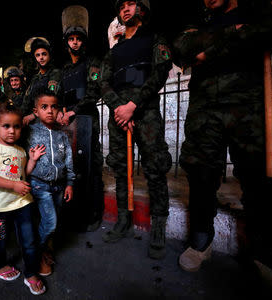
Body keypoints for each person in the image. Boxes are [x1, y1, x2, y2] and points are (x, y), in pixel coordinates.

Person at [172, 0, 272, 277]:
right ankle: (201, 241)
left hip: (248, 102)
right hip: (204, 105)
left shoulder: (258, 10)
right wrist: (237, 36)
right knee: (201, 171)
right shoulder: (197, 16)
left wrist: (206, 50)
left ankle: (267, 255)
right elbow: (181, 47)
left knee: (259, 175)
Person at [99, 0, 173, 260]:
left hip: (146, 112)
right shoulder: (114, 50)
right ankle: (122, 219)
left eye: (132, 4)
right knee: (120, 168)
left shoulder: (155, 39)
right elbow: (103, 82)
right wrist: (120, 109)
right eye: (121, 6)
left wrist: (133, 105)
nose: (125, 9)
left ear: (142, 9)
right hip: (119, 116)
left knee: (155, 167)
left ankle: (159, 228)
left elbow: (160, 72)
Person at [0, 101, 46, 296]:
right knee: (1, 239)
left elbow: (22, 175)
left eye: (16, 126)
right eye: (6, 126)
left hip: (22, 203)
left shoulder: (21, 151)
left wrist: (32, 160)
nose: (11, 131)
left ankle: (31, 274)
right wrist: (13, 185)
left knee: (29, 240)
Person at [59, 5, 104, 232]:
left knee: (92, 166)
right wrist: (60, 112)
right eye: (71, 38)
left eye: (78, 38)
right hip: (67, 124)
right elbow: (58, 95)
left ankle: (94, 212)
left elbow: (94, 91)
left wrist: (74, 110)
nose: (75, 42)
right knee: (72, 166)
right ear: (66, 42)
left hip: (87, 120)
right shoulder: (64, 69)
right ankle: (74, 210)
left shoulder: (92, 62)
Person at [27, 88, 75, 276]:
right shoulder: (29, 132)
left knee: (52, 221)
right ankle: (35, 254)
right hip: (39, 185)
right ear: (36, 111)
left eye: (54, 107)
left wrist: (70, 183)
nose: (49, 110)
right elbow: (4, 136)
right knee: (50, 222)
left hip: (59, 186)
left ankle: (46, 249)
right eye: (44, 106)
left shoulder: (62, 135)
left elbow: (68, 160)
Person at [21, 37, 62, 126]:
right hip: (34, 121)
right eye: (38, 55)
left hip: (48, 119)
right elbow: (26, 100)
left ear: (49, 55)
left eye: (44, 54)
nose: (41, 58)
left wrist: (33, 115)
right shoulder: (35, 78)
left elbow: (51, 98)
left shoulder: (55, 73)